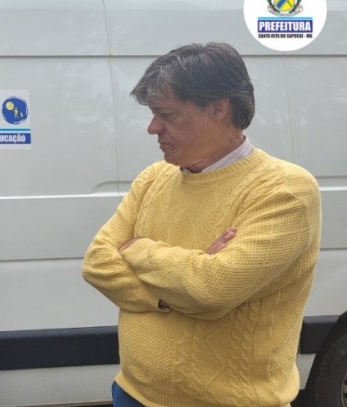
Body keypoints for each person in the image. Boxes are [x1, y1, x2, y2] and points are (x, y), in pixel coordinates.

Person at [82, 42, 321, 406]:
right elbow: (97, 262)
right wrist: (169, 294)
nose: (152, 128)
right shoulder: (154, 178)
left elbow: (212, 289)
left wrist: (138, 249)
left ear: (217, 109)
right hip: (132, 392)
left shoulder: (285, 190)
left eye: (167, 114)